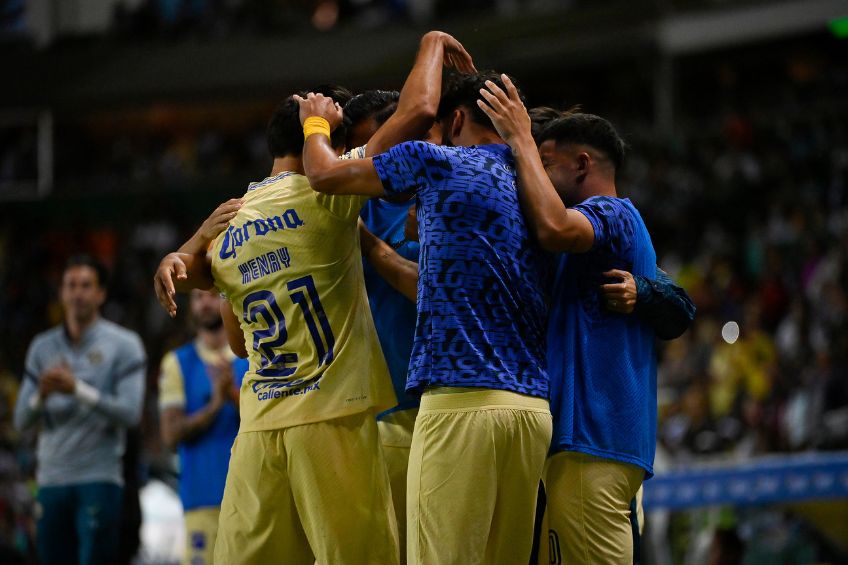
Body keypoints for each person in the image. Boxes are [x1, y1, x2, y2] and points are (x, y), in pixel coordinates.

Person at [295, 71, 552, 564]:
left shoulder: (433, 164)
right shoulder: (536, 185)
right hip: (530, 409)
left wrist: (313, 127)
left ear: (451, 120)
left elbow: (323, 175)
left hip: (456, 402)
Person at [153, 82, 405, 564]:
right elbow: (407, 120)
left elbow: (236, 342)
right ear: (324, 142)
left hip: (260, 424)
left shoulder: (229, 225)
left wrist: (182, 249)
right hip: (331, 414)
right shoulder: (325, 194)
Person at [478, 76, 688, 564]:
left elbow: (679, 302)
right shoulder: (595, 239)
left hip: (593, 439)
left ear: (581, 164)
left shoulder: (609, 215)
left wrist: (521, 139)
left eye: (544, 162)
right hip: (591, 443)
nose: (533, 172)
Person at [13, 254, 146, 565]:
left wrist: (77, 390)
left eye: (86, 286)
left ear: (101, 294)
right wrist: (41, 396)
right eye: (70, 285)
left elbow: (130, 413)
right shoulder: (42, 347)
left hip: (98, 478)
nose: (77, 293)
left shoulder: (125, 345)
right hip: (51, 480)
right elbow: (21, 420)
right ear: (61, 292)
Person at [159, 289, 247, 565]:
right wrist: (215, 405)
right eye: (197, 297)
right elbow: (170, 435)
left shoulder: (253, 357)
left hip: (254, 498)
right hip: (202, 497)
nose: (205, 303)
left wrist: (232, 396)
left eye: (211, 295)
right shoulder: (177, 363)